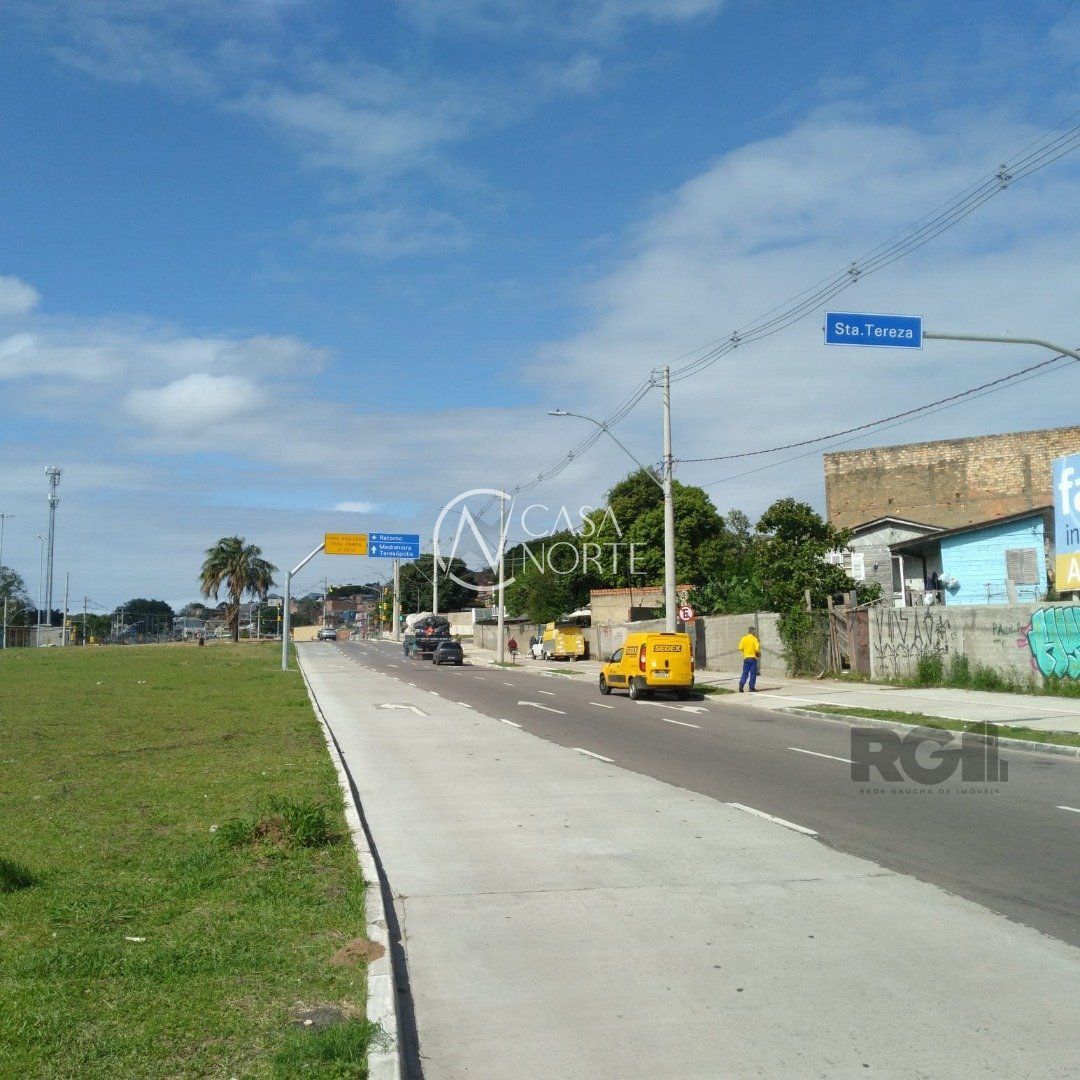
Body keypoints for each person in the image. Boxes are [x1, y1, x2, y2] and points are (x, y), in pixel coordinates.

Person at [738, 626, 760, 693]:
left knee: (745, 673)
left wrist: (745, 651)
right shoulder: (755, 639)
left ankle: (741, 685)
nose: (755, 633)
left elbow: (740, 648)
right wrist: (758, 653)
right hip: (753, 659)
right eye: (754, 631)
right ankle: (751, 688)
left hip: (746, 658)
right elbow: (757, 649)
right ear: (752, 632)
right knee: (753, 674)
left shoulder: (743, 638)